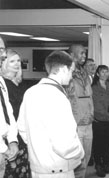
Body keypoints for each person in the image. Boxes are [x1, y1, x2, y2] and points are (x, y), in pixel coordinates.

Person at [17, 51, 84, 178]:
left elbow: (22, 127)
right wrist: (79, 152)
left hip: (38, 166)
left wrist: (38, 146)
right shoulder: (57, 96)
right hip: (58, 168)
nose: (72, 76)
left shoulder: (30, 92)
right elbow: (64, 144)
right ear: (64, 69)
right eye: (71, 71)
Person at [1, 49, 31, 177]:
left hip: (20, 134)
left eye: (18, 60)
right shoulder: (3, 84)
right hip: (7, 136)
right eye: (12, 61)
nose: (17, 63)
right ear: (3, 63)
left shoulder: (20, 84)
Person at [66, 44, 94, 178]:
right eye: (81, 53)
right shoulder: (66, 74)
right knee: (75, 161)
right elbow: (66, 101)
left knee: (85, 158)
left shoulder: (85, 74)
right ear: (72, 55)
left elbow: (89, 96)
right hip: (75, 124)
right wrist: (75, 120)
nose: (84, 56)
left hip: (88, 122)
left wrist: (91, 114)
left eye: (85, 53)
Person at [91, 65, 109, 177]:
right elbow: (95, 105)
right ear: (98, 74)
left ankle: (107, 164)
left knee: (108, 143)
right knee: (98, 143)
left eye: (106, 72)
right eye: (102, 72)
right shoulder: (93, 88)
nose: (105, 74)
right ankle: (98, 165)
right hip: (98, 120)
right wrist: (108, 114)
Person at [0, 36, 19, 178]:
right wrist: (3, 147)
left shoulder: (1, 82)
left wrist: (13, 140)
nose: (4, 55)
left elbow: (8, 113)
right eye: (0, 50)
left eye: (4, 50)